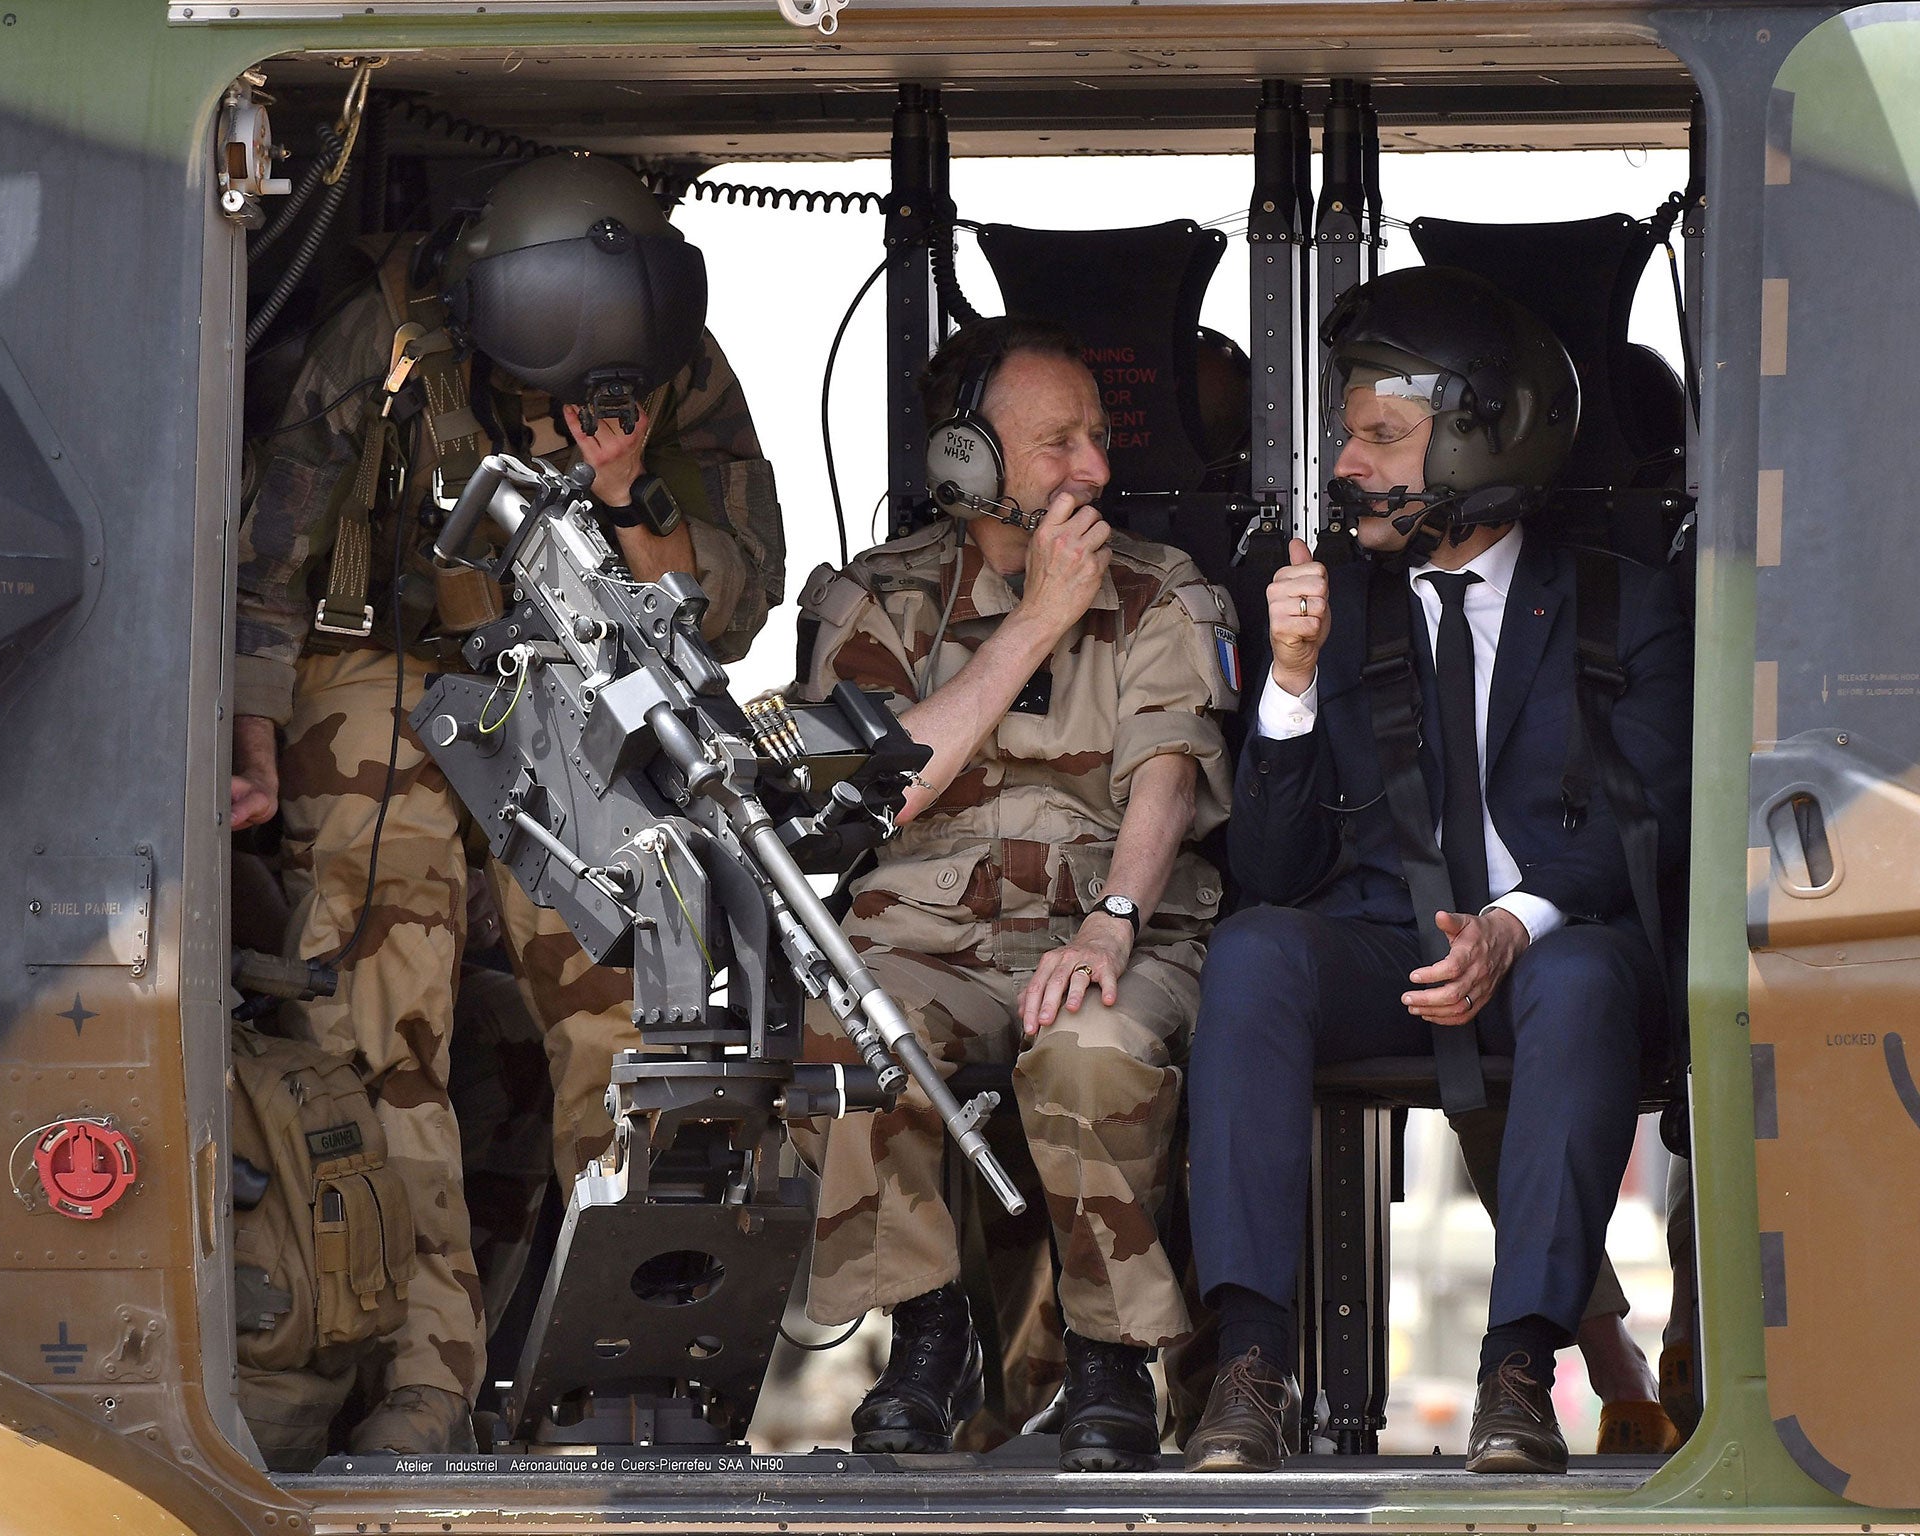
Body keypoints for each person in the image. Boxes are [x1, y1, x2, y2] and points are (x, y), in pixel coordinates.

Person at [228, 152, 783, 1454]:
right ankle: (423, 1374)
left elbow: (731, 600)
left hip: (582, 670)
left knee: (627, 1008)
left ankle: (625, 1368)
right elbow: (273, 546)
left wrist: (623, 488)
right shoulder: (398, 336)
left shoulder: (671, 364)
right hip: (389, 664)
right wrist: (249, 723)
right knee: (378, 1004)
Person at [1183, 266, 1692, 1475]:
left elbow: (1657, 813)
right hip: (1381, 944)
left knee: (1574, 985)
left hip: (1558, 946)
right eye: (1344, 433)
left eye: (1380, 436)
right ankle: (1247, 1363)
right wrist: (1291, 681)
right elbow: (1267, 865)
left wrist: (1513, 924)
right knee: (1252, 953)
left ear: (1473, 440)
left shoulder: (1626, 604)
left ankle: (1518, 1369)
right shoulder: (1330, 613)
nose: (1346, 463)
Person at [794, 315, 1241, 1472]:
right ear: (968, 460)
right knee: (843, 1031)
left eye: (1097, 438)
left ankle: (1107, 1360)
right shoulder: (875, 601)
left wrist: (1113, 923)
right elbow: (880, 795)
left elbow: (1166, 778)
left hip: (1113, 931)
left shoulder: (1161, 589)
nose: (1093, 467)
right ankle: (928, 1330)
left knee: (1086, 1051)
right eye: (1057, 444)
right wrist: (1036, 618)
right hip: (929, 939)